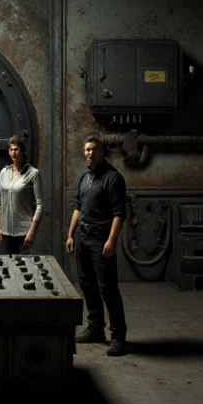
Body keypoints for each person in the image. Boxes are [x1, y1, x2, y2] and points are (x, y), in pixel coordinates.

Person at [65, 133, 128, 357]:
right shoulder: (84, 176)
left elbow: (119, 213)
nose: (89, 153)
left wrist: (112, 240)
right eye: (87, 149)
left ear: (103, 151)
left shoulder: (113, 178)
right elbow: (78, 207)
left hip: (101, 239)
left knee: (108, 289)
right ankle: (95, 328)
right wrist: (71, 234)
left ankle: (118, 337)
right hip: (83, 237)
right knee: (87, 285)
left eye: (93, 149)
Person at [0, 136, 43, 255]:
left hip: (24, 232)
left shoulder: (33, 174)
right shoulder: (4, 173)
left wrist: (32, 230)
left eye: (16, 149)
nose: (13, 153)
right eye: (11, 150)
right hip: (6, 231)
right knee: (7, 267)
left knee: (23, 267)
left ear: (22, 151)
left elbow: (40, 205)